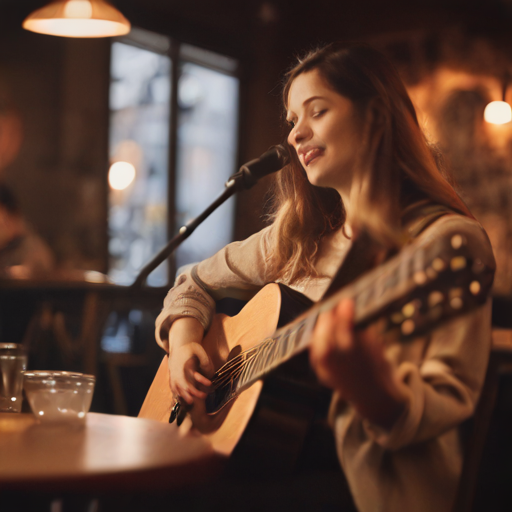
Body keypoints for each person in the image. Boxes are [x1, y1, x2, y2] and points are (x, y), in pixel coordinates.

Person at [154, 43, 494, 512]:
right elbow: (192, 281)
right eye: (292, 119)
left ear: (376, 117)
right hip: (282, 468)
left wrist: (371, 387)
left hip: (371, 484)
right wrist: (184, 340)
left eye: (317, 111)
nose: (297, 134)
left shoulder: (444, 245)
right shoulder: (297, 235)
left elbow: (447, 398)